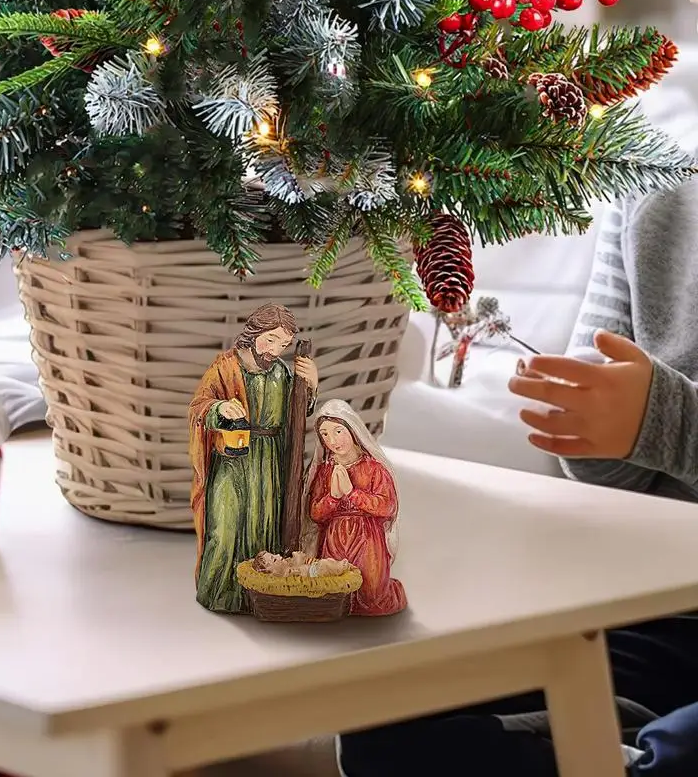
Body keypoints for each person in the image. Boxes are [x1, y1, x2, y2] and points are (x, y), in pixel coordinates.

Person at [337, 176, 698, 774]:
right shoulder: (652, 190)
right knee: (385, 722)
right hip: (662, 619)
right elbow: (614, 478)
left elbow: (666, 423)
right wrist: (589, 420)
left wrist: (672, 422)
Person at [188, 303, 318, 614]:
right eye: (270, 340)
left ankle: (257, 596)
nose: (275, 350)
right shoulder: (225, 366)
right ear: (254, 332)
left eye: (283, 344)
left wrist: (311, 385)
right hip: (233, 460)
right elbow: (198, 406)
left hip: (270, 461)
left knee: (264, 527)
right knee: (226, 528)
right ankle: (221, 594)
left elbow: (297, 412)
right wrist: (219, 408)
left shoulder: (281, 373)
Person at [301, 399, 406, 617]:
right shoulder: (325, 471)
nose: (332, 440)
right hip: (335, 539)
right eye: (325, 434)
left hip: (366, 540)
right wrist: (333, 497)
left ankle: (387, 591)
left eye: (338, 431)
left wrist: (353, 493)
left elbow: (387, 506)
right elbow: (315, 513)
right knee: (334, 591)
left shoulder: (374, 469)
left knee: (371, 599)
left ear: (352, 429)